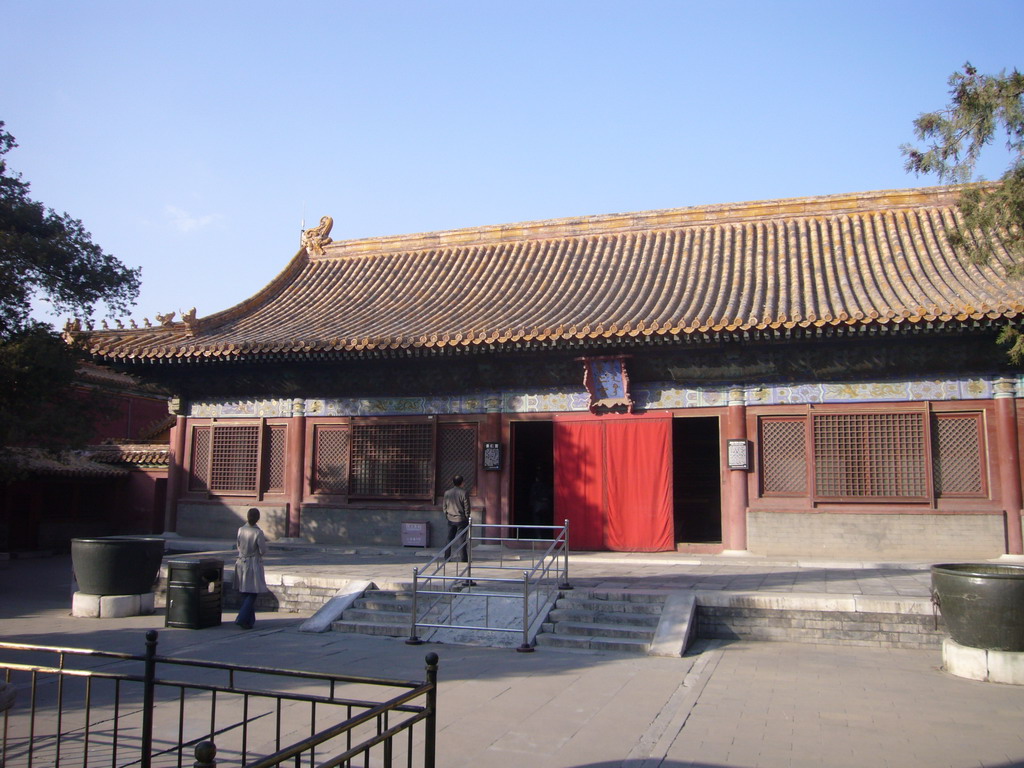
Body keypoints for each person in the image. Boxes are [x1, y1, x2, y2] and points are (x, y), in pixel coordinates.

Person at [234, 507, 268, 629]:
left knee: (245, 591)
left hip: (241, 561)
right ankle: (242, 617)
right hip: (253, 562)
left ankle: (249, 621)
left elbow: (238, 545)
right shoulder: (258, 532)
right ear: (258, 518)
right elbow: (262, 550)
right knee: (253, 591)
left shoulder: (240, 530)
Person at [442, 475, 476, 586]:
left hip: (451, 518)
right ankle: (463, 558)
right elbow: (467, 506)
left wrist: (446, 515)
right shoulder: (463, 493)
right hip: (461, 519)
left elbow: (444, 506)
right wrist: (467, 516)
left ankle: (447, 557)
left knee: (449, 538)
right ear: (462, 482)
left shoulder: (447, 493)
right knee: (462, 539)